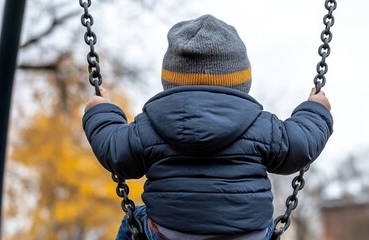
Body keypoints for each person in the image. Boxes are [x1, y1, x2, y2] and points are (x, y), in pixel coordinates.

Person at [83, 14, 333, 240]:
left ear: (169, 81)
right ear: (242, 81)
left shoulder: (149, 126)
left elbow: (115, 151)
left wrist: (100, 110)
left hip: (169, 233)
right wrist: (315, 109)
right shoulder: (261, 126)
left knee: (134, 220)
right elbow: (299, 145)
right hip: (248, 234)